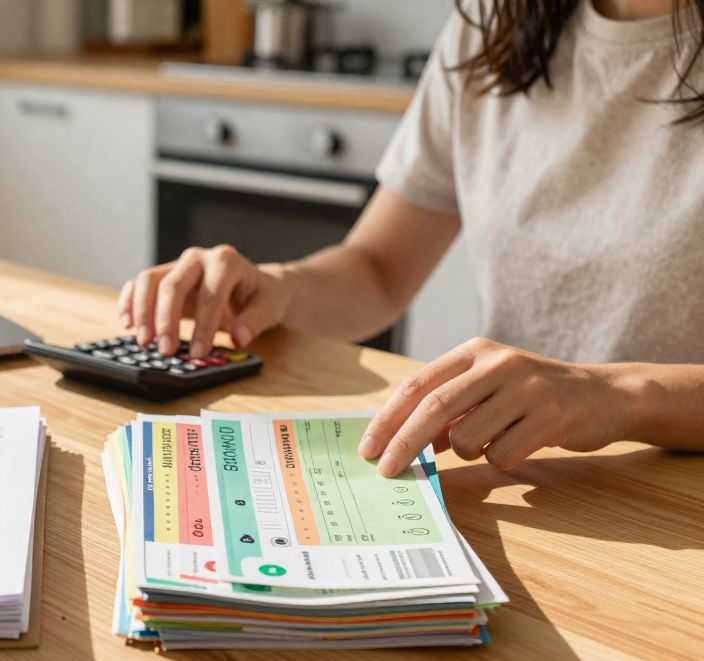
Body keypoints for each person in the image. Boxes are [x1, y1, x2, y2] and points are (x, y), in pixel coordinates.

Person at [118, 0, 704, 478]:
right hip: (515, 480)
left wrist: (616, 394)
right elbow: (377, 269)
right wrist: (277, 287)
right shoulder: (494, 24)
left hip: (672, 510)